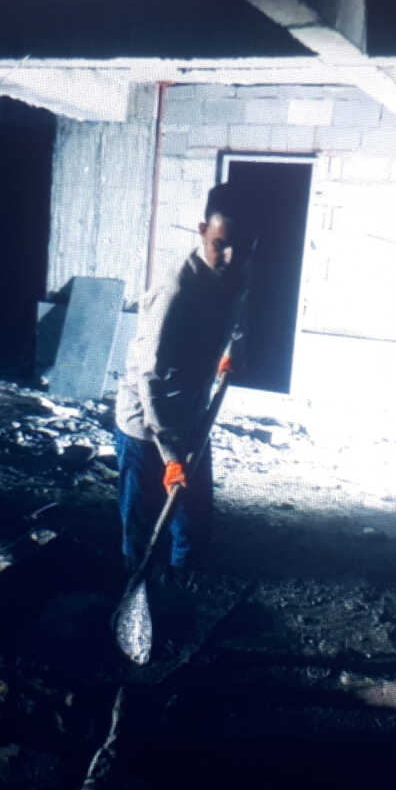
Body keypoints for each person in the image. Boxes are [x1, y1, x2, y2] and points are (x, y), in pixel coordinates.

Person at [114, 183, 250, 577]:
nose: (231, 256)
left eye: (241, 246)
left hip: (191, 413)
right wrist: (171, 456)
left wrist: (233, 349)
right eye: (221, 244)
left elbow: (239, 305)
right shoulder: (175, 291)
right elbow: (151, 378)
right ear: (202, 230)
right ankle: (136, 591)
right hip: (147, 422)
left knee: (193, 522)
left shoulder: (236, 268)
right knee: (144, 528)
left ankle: (182, 590)